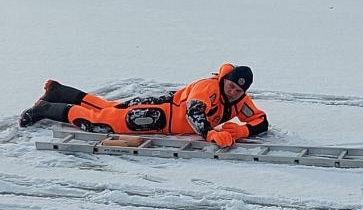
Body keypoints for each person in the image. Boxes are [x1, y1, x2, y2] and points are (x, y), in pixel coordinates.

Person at [19, 63, 269, 148]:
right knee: (100, 122)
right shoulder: (209, 87)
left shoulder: (238, 100)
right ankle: (44, 109)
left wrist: (244, 130)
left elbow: (261, 121)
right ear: (225, 79)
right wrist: (211, 133)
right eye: (231, 86)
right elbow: (195, 113)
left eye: (238, 90)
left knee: (109, 107)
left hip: (165, 114)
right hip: (156, 115)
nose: (233, 91)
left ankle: (58, 91)